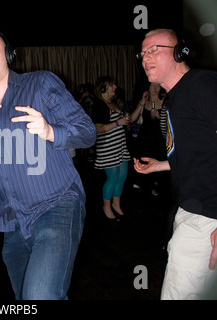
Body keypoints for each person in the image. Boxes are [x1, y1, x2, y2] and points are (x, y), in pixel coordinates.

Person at [0, 29, 96, 300]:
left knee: (39, 295)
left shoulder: (41, 84)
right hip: (12, 222)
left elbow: (87, 131)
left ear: (8, 54)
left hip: (57, 206)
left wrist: (50, 131)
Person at [134, 28, 217, 299]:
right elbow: (202, 154)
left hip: (208, 217)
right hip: (193, 211)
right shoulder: (176, 98)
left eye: (154, 49)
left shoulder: (201, 85)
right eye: (143, 53)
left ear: (180, 52)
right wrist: (160, 165)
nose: (146, 58)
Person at [91, 76, 131, 220]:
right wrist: (118, 123)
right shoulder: (100, 105)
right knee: (113, 177)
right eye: (111, 85)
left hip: (120, 146)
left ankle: (116, 204)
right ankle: (106, 206)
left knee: (122, 176)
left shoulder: (113, 103)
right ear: (103, 88)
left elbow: (124, 123)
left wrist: (139, 106)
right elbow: (98, 128)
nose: (115, 87)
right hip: (108, 148)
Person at [131, 83, 167, 196]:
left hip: (159, 140)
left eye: (157, 86)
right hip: (144, 139)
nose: (155, 88)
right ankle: (143, 186)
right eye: (152, 86)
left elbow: (170, 124)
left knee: (158, 163)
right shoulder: (144, 101)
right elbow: (132, 118)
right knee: (143, 162)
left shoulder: (165, 102)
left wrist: (159, 116)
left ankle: (155, 186)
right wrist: (142, 102)